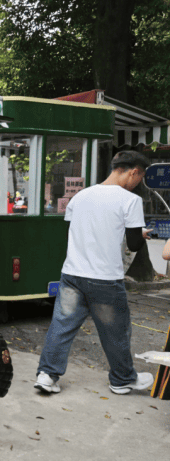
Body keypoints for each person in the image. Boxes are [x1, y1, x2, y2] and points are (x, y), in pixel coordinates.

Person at [35, 151, 155, 395]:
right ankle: (122, 379)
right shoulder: (129, 200)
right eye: (140, 177)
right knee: (116, 330)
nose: (138, 183)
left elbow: (84, 229)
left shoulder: (81, 196)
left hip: (72, 274)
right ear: (134, 172)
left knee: (62, 325)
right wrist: (139, 234)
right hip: (105, 279)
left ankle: (47, 375)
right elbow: (133, 245)